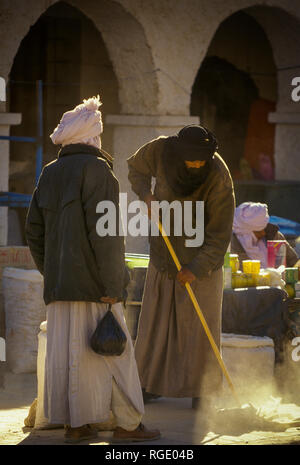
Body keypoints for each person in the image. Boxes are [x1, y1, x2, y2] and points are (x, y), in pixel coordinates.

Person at [25, 96, 160, 444]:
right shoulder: (99, 172)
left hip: (60, 287)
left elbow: (34, 231)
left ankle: (77, 423)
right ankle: (128, 424)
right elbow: (108, 237)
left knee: (70, 357)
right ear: (92, 139)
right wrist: (115, 284)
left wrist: (53, 273)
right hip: (98, 287)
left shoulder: (49, 173)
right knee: (119, 358)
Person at [127, 125, 235, 411]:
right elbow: (135, 168)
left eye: (202, 159)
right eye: (192, 159)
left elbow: (220, 232)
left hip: (202, 262)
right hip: (164, 253)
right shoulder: (161, 150)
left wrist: (197, 267)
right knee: (154, 325)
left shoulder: (218, 174)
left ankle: (204, 391)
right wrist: (145, 194)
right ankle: (148, 385)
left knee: (200, 329)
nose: (197, 164)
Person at [231, 202, 299, 268]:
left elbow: (294, 262)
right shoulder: (231, 244)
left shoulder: (275, 236)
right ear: (246, 231)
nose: (263, 233)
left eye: (264, 228)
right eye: (258, 231)